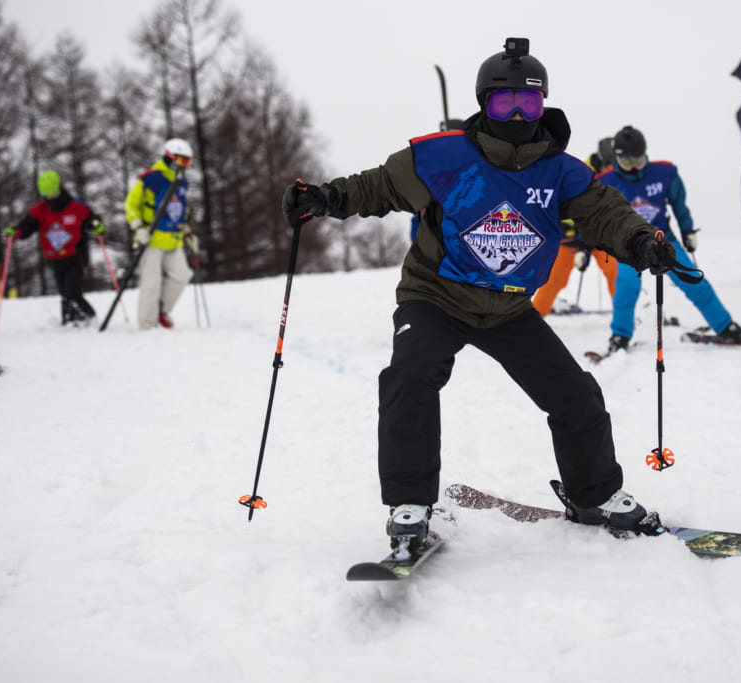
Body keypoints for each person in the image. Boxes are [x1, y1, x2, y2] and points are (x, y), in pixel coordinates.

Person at [281, 38, 677, 557]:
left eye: (528, 103)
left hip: (509, 306)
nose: (516, 114)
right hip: (436, 296)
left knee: (575, 396)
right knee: (409, 377)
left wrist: (640, 241)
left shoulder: (561, 170)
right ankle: (410, 506)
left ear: (544, 105)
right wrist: (326, 197)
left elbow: (606, 213)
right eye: (503, 103)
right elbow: (379, 186)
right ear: (483, 104)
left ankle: (594, 496)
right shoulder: (444, 157)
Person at [597, 125, 741, 353]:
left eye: (639, 159)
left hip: (662, 241)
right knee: (627, 287)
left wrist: (688, 232)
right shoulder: (606, 182)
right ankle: (620, 335)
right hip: (628, 245)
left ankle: (726, 327)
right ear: (616, 158)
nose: (634, 167)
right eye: (627, 162)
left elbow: (680, 206)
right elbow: (594, 216)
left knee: (694, 282)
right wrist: (585, 244)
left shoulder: (665, 174)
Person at [5, 170, 104, 325]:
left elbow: (92, 220)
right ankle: (69, 322)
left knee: (72, 292)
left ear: (59, 188)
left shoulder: (77, 207)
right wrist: (16, 232)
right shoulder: (40, 211)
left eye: (53, 193)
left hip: (75, 257)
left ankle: (90, 317)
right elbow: (26, 227)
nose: (51, 198)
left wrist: (96, 226)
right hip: (54, 259)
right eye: (47, 195)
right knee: (65, 294)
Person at [124, 138, 198, 330]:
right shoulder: (151, 178)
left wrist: (188, 232)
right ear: (172, 158)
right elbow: (131, 204)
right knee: (151, 283)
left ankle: (161, 311)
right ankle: (147, 325)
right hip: (152, 240)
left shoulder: (181, 182)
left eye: (188, 162)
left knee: (182, 275)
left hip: (174, 240)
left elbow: (180, 209)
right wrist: (138, 228)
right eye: (184, 161)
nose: (186, 166)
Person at [531, 219, 617, 315]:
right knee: (553, 279)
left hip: (600, 239)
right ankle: (534, 318)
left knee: (616, 274)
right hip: (569, 240)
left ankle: (623, 316)